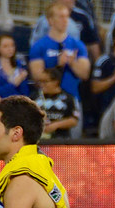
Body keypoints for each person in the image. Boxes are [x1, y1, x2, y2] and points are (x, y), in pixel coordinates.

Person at [29, 1, 91, 136]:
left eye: (66, 16)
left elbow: (85, 74)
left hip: (70, 100)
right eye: (60, 17)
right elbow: (36, 75)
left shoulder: (77, 45)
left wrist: (73, 64)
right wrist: (56, 64)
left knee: (71, 145)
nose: (65, 20)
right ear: (50, 20)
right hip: (45, 102)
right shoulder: (40, 46)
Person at [33, 67, 78, 138]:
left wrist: (55, 125)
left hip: (60, 139)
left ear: (56, 82)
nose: (41, 85)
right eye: (40, 82)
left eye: (45, 82)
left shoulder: (68, 98)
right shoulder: (34, 97)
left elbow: (74, 120)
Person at [0, 34, 29, 99]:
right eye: (5, 46)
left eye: (12, 45)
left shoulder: (18, 64)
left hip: (17, 103)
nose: (10, 49)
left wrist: (22, 78)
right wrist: (13, 84)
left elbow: (24, 92)